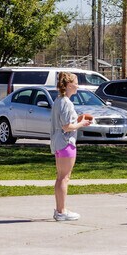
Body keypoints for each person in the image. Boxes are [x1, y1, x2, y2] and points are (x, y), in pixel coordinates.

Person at [50, 72, 91, 221]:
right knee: (64, 178)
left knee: (60, 177)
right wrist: (82, 123)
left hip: (58, 141)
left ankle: (59, 210)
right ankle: (61, 211)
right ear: (68, 85)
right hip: (66, 142)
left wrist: (78, 120)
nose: (78, 85)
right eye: (75, 82)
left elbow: (65, 122)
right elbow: (67, 126)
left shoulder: (59, 100)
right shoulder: (66, 102)